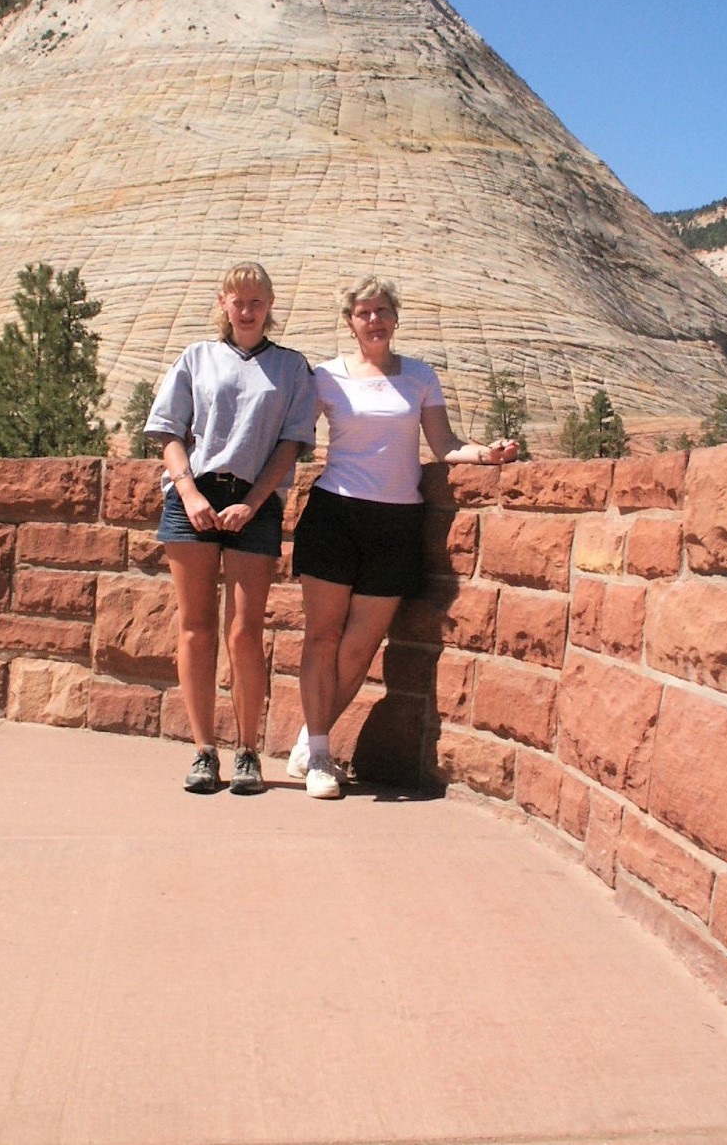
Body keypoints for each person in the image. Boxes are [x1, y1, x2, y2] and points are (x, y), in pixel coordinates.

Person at [290, 276, 518, 799]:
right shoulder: (326, 377)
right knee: (323, 638)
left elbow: (443, 444)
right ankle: (322, 756)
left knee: (362, 643)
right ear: (350, 321)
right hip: (335, 514)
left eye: (382, 310)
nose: (374, 320)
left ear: (396, 318)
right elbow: (293, 437)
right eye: (364, 312)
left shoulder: (418, 377)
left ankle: (310, 734)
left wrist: (486, 454)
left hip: (397, 521)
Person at [144, 263, 316, 795]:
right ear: (223, 303)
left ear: (270, 306)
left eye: (257, 301)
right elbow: (169, 430)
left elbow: (291, 443)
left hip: (255, 501)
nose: (247, 309)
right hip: (192, 498)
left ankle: (246, 751)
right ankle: (202, 751)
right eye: (238, 300)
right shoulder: (197, 357)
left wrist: (253, 501)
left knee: (244, 631)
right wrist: (189, 491)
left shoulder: (290, 368)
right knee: (195, 626)